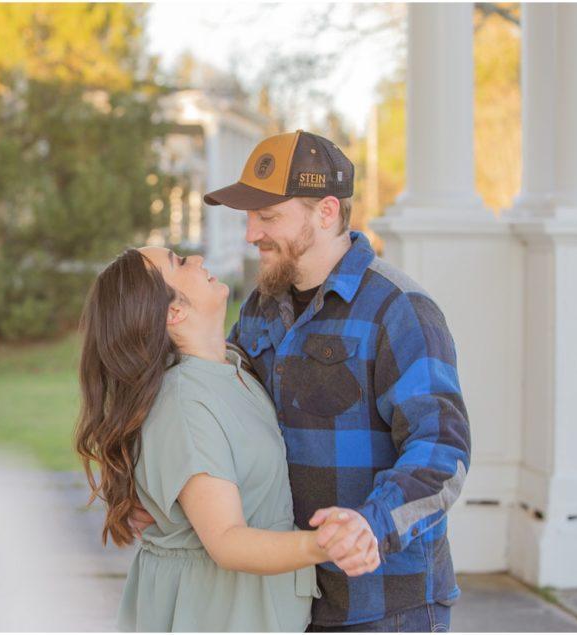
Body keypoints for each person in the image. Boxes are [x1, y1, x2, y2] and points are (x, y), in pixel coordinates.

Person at [130, 130, 471, 632]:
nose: (251, 233)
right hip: (288, 598)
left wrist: (369, 525)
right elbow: (215, 403)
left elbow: (443, 451)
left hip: (385, 605)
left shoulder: (400, 309)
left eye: (268, 217)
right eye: (248, 217)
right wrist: (139, 485)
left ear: (326, 212)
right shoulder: (261, 307)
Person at [74, 246, 381, 632]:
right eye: (179, 262)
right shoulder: (185, 403)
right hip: (214, 616)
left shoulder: (232, 368)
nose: (198, 260)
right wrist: (322, 545)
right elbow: (226, 541)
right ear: (173, 312)